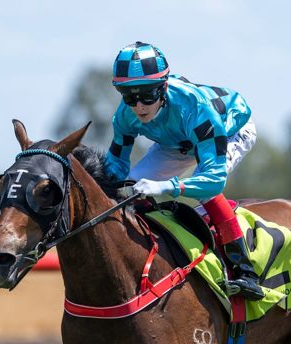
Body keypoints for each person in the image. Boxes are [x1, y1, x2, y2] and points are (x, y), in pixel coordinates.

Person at [104, 41, 264, 301]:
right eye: (129, 96)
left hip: (228, 130)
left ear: (163, 87)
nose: (139, 106)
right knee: (132, 187)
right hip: (177, 142)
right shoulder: (125, 115)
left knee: (204, 191)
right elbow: (116, 166)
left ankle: (245, 271)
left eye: (147, 95)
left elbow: (213, 180)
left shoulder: (195, 107)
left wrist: (167, 186)